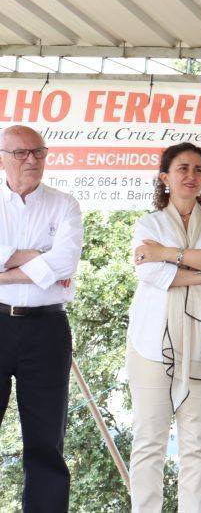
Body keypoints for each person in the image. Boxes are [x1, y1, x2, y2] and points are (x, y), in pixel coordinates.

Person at [127, 143, 201, 512]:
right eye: (183, 168)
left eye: (198, 169)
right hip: (151, 345)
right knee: (149, 442)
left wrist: (166, 254)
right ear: (165, 177)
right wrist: (200, 273)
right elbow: (149, 272)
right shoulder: (149, 224)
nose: (191, 176)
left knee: (198, 445)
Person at [0, 125, 83, 512]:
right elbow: (51, 265)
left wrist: (5, 269)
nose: (32, 159)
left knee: (46, 441)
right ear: (2, 159)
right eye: (21, 153)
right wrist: (37, 258)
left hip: (48, 328)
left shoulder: (64, 205)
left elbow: (65, 262)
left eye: (39, 152)